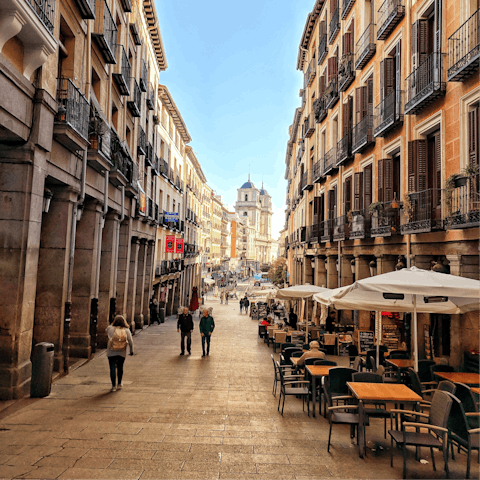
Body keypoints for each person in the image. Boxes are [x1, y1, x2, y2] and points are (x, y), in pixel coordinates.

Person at [106, 315, 134, 392]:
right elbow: (130, 341)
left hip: (111, 351)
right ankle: (119, 384)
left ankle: (113, 386)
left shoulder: (109, 328)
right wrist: (131, 351)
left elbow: (107, 336)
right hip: (122, 351)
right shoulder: (126, 330)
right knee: (120, 367)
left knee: (112, 368)